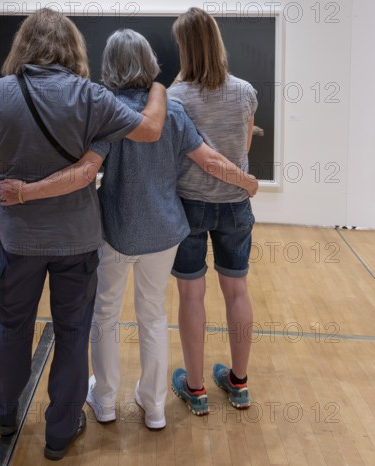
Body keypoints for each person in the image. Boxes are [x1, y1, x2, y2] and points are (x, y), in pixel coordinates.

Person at [0, 28, 257, 429]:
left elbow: (85, 172)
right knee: (152, 317)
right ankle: (153, 407)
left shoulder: (105, 111)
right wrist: (246, 181)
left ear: (110, 66)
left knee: (105, 316)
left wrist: (26, 192)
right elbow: (208, 160)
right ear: (150, 62)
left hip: (113, 231)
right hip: (164, 232)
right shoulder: (171, 110)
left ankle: (104, 401)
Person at [0, 9, 167, 461]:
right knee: (74, 332)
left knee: (12, 326)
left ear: (23, 46)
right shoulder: (91, 96)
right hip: (77, 241)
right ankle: (61, 429)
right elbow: (151, 129)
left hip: (17, 241)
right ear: (73, 48)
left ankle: (1, 410)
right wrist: (157, 86)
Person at [168, 7, 259, 415]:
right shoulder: (245, 92)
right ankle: (238, 384)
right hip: (235, 206)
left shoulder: (174, 97)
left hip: (188, 206)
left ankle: (197, 389)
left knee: (192, 294)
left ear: (184, 48)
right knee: (237, 291)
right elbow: (245, 150)